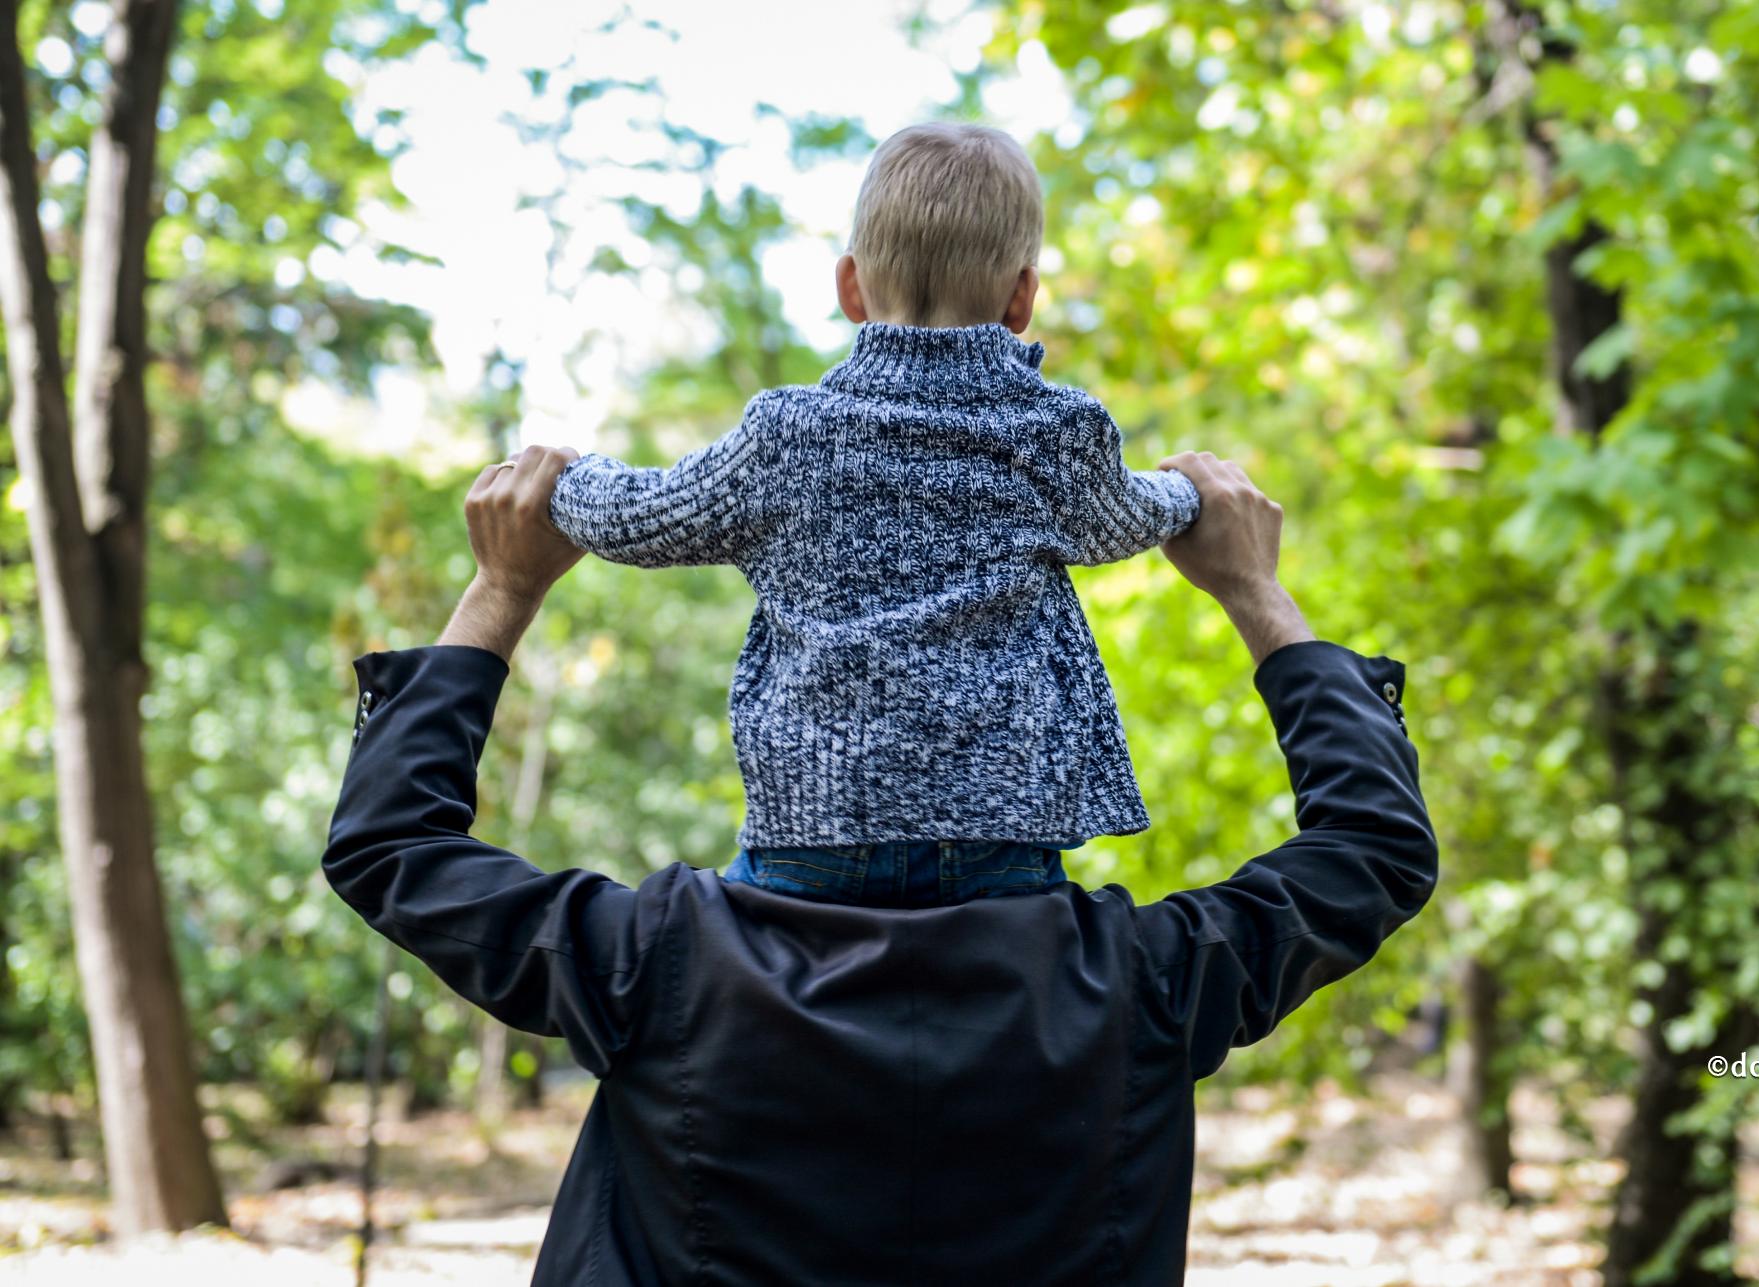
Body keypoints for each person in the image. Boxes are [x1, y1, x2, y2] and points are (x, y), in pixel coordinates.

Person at [322, 445, 1437, 1285]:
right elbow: (1372, 849)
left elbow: (393, 846)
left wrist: (503, 590)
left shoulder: (656, 966)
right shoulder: (1140, 987)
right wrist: (1254, 593)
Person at [546, 122, 1204, 908]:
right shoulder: (1056, 432)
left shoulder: (788, 436)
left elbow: (641, 517)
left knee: (750, 968)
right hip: (997, 840)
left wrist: (566, 477)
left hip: (815, 835)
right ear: (1022, 297)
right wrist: (1189, 490)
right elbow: (1126, 517)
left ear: (849, 286)